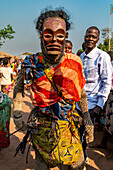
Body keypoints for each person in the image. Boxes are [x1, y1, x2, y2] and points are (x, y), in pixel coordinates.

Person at [13, 8, 93, 170]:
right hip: (42, 128)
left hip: (68, 126)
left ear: (66, 37)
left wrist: (87, 118)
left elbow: (81, 93)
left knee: (77, 164)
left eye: (60, 35)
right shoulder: (32, 62)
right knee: (42, 164)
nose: (54, 40)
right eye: (48, 34)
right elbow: (18, 88)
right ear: (41, 35)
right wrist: (16, 115)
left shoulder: (75, 62)